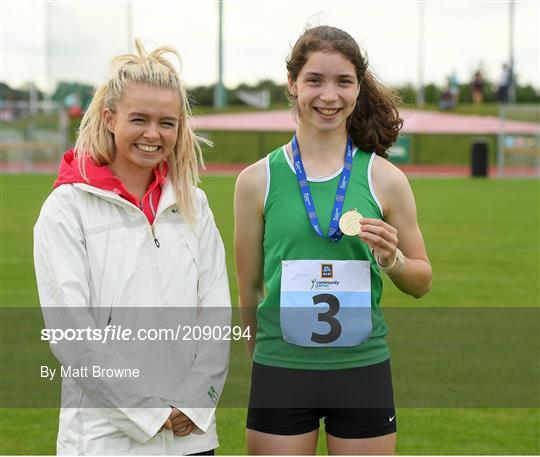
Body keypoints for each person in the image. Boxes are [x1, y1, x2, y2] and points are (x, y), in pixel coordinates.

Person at [234, 25, 432, 455]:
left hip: (362, 369)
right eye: (315, 81)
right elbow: (248, 288)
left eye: (343, 81)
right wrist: (263, 360)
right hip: (281, 370)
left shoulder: (386, 179)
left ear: (358, 88)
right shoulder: (256, 181)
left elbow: (421, 280)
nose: (329, 95)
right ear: (292, 85)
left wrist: (391, 259)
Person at [34, 39, 231, 455]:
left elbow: (216, 313)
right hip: (104, 440)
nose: (153, 134)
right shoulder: (66, 208)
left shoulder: (195, 205)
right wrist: (148, 413)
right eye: (139, 119)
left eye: (167, 123)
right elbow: (72, 331)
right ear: (109, 118)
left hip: (189, 438)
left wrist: (194, 403)